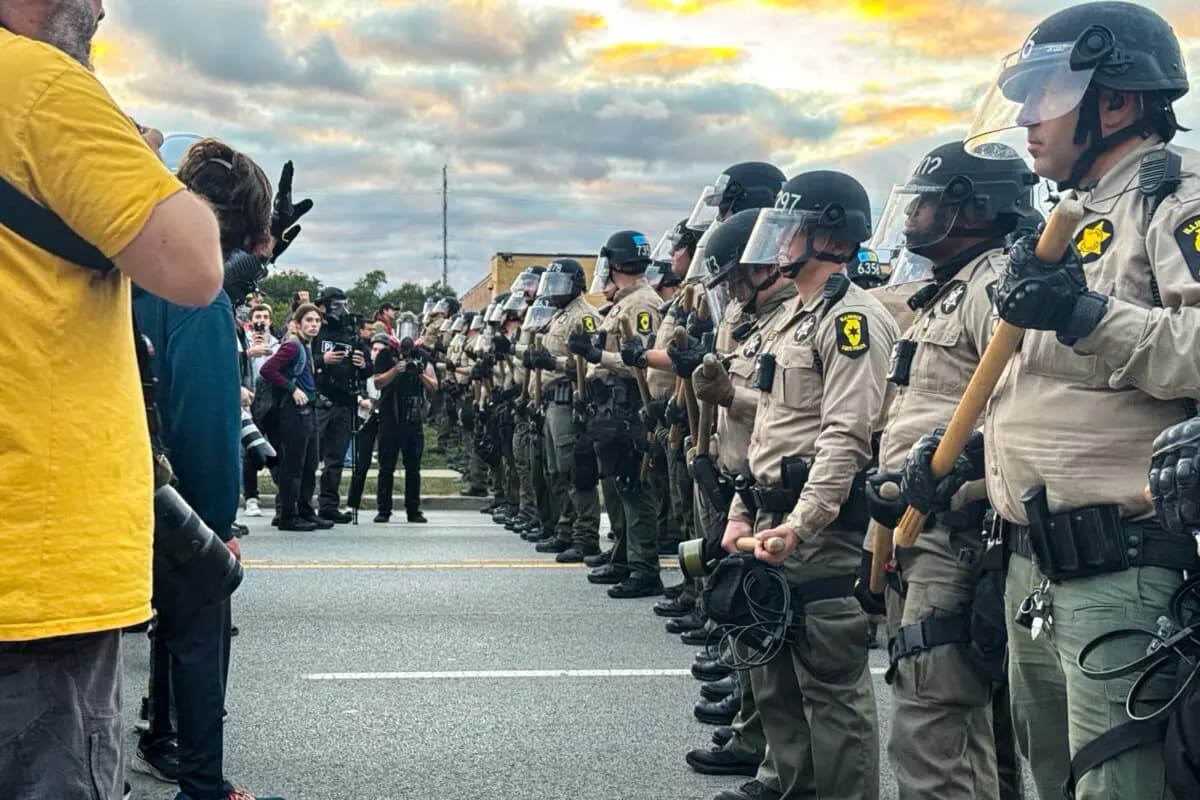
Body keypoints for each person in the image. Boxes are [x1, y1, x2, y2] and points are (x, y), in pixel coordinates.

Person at [941, 4, 1200, 798]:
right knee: (1052, 781)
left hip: (1120, 569)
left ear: (1115, 101)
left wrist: (1091, 316)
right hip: (1033, 564)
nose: (1025, 116)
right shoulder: (1071, 218)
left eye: (1046, 93)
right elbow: (1037, 392)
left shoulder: (1175, 199)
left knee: (1117, 786)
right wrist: (969, 456)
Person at [0, 3, 225, 798]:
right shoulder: (37, 83)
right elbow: (194, 266)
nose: (98, 7)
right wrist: (140, 162)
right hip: (32, 562)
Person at [711, 171, 899, 800]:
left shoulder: (852, 320)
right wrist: (742, 509)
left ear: (828, 235)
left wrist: (802, 522)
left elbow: (847, 437)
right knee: (776, 683)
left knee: (830, 691)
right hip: (770, 520)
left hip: (817, 531)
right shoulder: (790, 318)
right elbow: (765, 427)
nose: (778, 243)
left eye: (789, 229)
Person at [866, 141, 1038, 800]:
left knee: (935, 727)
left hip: (957, 530)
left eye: (928, 200)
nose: (915, 213)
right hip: (919, 526)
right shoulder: (946, 291)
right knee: (973, 726)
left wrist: (948, 472)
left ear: (972, 206)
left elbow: (1025, 401)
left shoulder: (993, 284)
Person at [133, 137, 287, 800]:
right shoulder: (200, 296)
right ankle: (203, 781)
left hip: (118, 471)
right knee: (199, 629)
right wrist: (218, 523)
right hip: (171, 488)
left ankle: (158, 737)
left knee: (163, 624)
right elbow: (207, 423)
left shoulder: (133, 261)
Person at [686, 207, 800, 783]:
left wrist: (728, 395)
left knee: (768, 627)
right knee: (749, 620)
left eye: (736, 277)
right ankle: (752, 733)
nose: (731, 290)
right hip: (744, 480)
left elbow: (792, 413)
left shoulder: (801, 320)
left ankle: (765, 746)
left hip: (780, 490)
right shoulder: (759, 321)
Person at [571, 230, 665, 597]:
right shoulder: (623, 303)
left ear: (618, 263)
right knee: (619, 485)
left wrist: (599, 358)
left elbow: (643, 364)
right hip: (613, 405)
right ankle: (626, 556)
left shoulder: (642, 305)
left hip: (632, 405)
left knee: (634, 486)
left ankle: (645, 569)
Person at [525, 260, 602, 560]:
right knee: (555, 471)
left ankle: (585, 537)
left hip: (570, 401)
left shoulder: (584, 316)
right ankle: (565, 529)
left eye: (560, 285)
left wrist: (553, 364)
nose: (554, 291)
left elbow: (591, 364)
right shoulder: (556, 317)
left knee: (575, 473)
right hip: (549, 402)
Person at [261, 304, 326, 532]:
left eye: (317, 321)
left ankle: (306, 510)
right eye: (308, 321)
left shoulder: (306, 346)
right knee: (294, 465)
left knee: (309, 464)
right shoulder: (293, 346)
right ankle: (288, 515)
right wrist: (292, 389)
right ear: (298, 324)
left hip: (308, 409)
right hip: (294, 411)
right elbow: (268, 370)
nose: (313, 325)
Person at [312, 286, 371, 523]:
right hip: (320, 400)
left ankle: (328, 505)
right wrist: (322, 360)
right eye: (335, 304)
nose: (341, 310)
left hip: (345, 402)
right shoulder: (317, 331)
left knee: (335, 458)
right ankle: (300, 503)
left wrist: (362, 363)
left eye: (342, 304)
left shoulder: (351, 334)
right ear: (324, 306)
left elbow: (369, 370)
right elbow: (302, 360)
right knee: (309, 455)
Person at [372, 313, 437, 523]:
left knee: (413, 468)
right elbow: (377, 382)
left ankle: (413, 509)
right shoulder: (386, 354)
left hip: (413, 416)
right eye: (404, 327)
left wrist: (419, 372)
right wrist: (395, 370)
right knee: (386, 466)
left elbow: (434, 386)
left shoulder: (422, 356)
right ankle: (383, 509)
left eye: (411, 327)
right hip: (390, 415)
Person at [243, 304, 280, 516]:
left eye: (266, 316)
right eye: (258, 316)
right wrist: (250, 352)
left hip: (272, 402)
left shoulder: (277, 343)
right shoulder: (244, 342)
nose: (262, 320)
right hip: (250, 399)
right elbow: (235, 362)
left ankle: (281, 494)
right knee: (252, 451)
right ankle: (251, 498)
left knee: (275, 448)